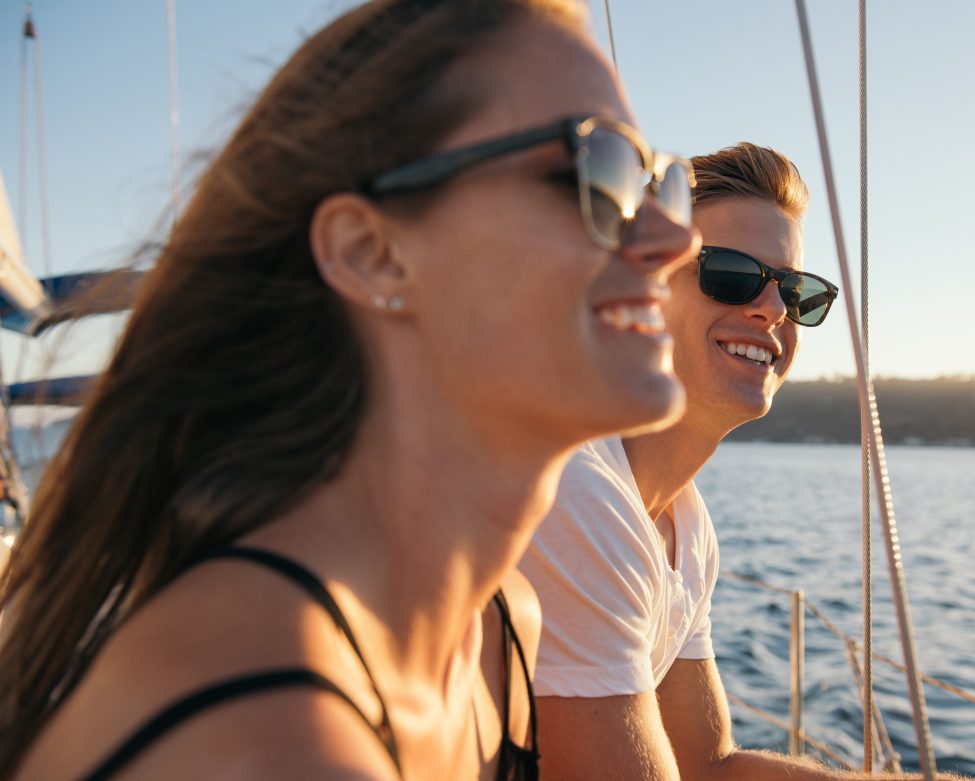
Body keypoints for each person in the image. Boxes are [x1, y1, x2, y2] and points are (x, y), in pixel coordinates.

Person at [0, 1, 700, 778]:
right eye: (598, 171)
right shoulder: (262, 739)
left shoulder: (500, 635)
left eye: (657, 185)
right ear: (371, 253)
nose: (677, 239)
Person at [519, 142, 975, 781]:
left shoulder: (686, 532)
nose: (774, 310)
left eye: (796, 291)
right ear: (639, 284)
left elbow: (710, 765)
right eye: (730, 274)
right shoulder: (577, 492)